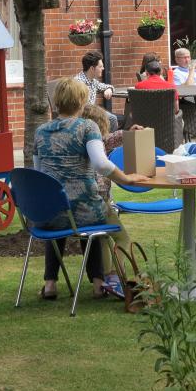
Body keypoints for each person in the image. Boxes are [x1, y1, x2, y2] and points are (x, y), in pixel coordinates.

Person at [33, 79, 144, 301]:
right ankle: (98, 284)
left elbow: (39, 172)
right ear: (82, 101)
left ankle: (50, 284)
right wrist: (127, 179)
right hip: (84, 210)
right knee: (91, 219)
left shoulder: (40, 131)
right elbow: (101, 165)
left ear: (57, 102)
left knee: (63, 214)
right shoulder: (87, 127)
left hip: (48, 213)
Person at [79, 103, 135, 290]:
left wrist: (128, 132)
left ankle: (105, 275)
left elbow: (113, 138)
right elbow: (112, 139)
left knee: (102, 237)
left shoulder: (80, 143)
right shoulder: (97, 145)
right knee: (122, 238)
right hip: (99, 201)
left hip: (82, 203)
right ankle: (115, 275)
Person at [134, 60, 184, 137]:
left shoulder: (139, 86)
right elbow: (176, 109)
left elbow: (137, 106)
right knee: (181, 122)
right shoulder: (171, 86)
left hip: (144, 123)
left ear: (146, 73)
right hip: (166, 124)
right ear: (160, 73)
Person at [74, 50, 120, 132]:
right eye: (100, 66)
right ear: (92, 68)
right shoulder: (78, 83)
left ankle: (104, 141)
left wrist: (109, 89)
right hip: (82, 116)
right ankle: (108, 143)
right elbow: (80, 109)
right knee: (112, 119)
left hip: (92, 113)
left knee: (117, 119)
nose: (103, 68)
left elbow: (108, 86)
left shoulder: (92, 81)